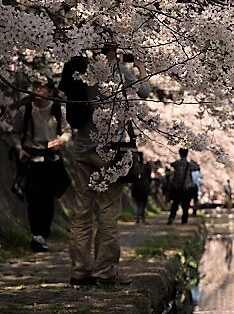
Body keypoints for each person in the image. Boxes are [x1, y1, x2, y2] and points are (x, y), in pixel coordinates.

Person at [59, 46, 150, 286]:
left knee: (82, 211)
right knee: (108, 211)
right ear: (112, 49)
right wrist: (140, 68)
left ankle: (79, 271)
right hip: (110, 149)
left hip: (81, 149)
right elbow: (144, 90)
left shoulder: (80, 70)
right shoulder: (118, 71)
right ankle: (105, 271)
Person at [12, 79, 71, 252]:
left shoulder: (58, 110)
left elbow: (67, 131)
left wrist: (60, 141)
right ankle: (37, 234)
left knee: (48, 199)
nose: (37, 89)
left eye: (41, 87)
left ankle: (42, 234)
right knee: (32, 198)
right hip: (30, 159)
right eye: (35, 86)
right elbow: (15, 133)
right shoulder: (25, 110)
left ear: (51, 92)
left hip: (51, 160)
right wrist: (19, 149)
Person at [168, 148, 196, 225]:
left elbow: (171, 164)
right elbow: (197, 167)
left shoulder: (176, 163)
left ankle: (171, 217)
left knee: (175, 204)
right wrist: (192, 160)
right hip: (187, 188)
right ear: (187, 154)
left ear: (179, 154)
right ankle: (184, 220)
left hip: (177, 187)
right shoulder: (189, 164)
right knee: (185, 205)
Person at [130, 152, 152, 224]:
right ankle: (141, 216)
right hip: (144, 187)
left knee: (136, 203)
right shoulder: (146, 167)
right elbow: (149, 177)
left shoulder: (133, 167)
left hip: (135, 186)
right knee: (143, 203)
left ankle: (137, 217)